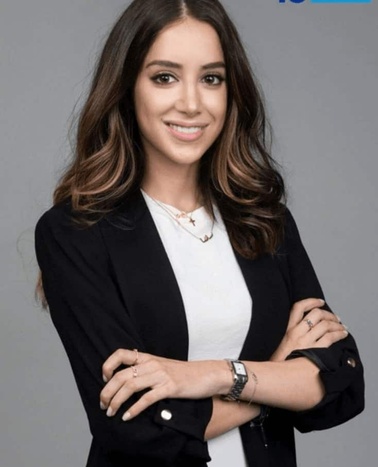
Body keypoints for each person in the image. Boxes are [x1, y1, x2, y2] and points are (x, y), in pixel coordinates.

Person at [34, 1, 364, 466]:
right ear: (127, 88)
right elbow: (136, 427)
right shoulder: (76, 233)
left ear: (232, 92)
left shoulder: (264, 221)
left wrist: (208, 376)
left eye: (211, 78)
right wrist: (273, 376)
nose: (191, 103)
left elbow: (342, 385)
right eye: (164, 76)